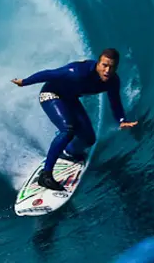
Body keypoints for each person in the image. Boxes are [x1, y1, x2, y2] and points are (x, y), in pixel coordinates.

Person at [11, 48, 138, 191]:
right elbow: (49, 74)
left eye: (112, 67)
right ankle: (45, 175)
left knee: (89, 139)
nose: (108, 70)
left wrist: (122, 120)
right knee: (68, 130)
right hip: (51, 95)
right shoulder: (77, 71)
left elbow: (115, 102)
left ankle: (67, 152)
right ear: (98, 63)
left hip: (70, 99)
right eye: (104, 65)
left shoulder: (112, 81)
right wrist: (24, 82)